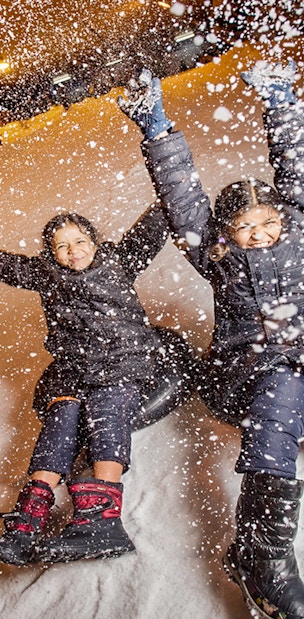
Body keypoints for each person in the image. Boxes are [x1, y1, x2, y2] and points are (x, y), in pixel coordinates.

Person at [117, 62, 304, 618]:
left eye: (267, 222)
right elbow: (182, 195)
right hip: (252, 369)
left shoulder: (299, 225)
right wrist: (155, 126)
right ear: (225, 233)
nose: (259, 234)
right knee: (282, 389)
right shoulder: (217, 257)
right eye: (245, 226)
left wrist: (281, 103)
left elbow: (296, 161)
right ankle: (261, 553)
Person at [0, 201, 196, 565]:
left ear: (94, 242)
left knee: (106, 413)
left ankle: (101, 520)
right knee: (60, 422)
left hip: (121, 360)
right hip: (73, 367)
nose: (73, 251)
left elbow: (150, 233)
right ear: (51, 253)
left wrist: (170, 197)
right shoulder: (45, 273)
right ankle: (27, 522)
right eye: (62, 246)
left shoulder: (119, 261)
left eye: (79, 241)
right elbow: (6, 266)